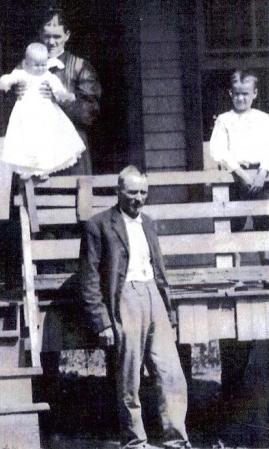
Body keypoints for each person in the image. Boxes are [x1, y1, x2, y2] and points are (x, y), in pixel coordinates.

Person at [79, 166, 190, 449]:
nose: (138, 198)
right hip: (124, 299)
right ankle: (135, 440)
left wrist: (169, 309)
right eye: (132, 192)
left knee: (171, 372)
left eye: (143, 192)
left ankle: (176, 439)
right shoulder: (99, 225)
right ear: (119, 191)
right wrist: (101, 320)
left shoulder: (148, 223)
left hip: (153, 296)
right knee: (129, 376)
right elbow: (89, 278)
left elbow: (159, 269)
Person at [18, 9, 101, 175]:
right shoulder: (25, 67)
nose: (51, 42)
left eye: (56, 37)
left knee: (74, 198)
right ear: (40, 35)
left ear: (67, 36)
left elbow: (90, 113)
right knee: (38, 199)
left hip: (71, 152)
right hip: (37, 151)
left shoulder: (79, 67)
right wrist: (17, 95)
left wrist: (62, 100)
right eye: (46, 36)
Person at [0, 42, 85, 180]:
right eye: (36, 65)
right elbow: (7, 80)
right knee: (26, 141)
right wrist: (6, 83)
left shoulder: (48, 76)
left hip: (45, 115)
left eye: (43, 64)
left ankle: (44, 170)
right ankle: (27, 169)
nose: (40, 68)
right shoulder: (22, 74)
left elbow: (59, 90)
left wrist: (65, 95)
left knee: (45, 142)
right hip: (26, 115)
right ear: (26, 64)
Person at [209, 69, 269, 258]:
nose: (241, 98)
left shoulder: (263, 119)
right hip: (235, 179)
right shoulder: (224, 120)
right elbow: (219, 151)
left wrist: (263, 172)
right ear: (230, 94)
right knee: (232, 227)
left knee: (265, 227)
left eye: (245, 94)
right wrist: (241, 174)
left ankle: (267, 274)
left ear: (255, 94)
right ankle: (234, 275)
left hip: (262, 180)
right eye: (237, 94)